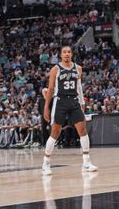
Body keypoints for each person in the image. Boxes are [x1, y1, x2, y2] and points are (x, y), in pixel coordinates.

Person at [42, 45, 97, 175]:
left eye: (69, 52)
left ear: (71, 54)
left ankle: (86, 162)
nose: (67, 54)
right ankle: (46, 163)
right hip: (60, 101)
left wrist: (82, 102)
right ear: (60, 55)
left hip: (74, 100)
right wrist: (46, 107)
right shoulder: (55, 69)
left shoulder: (78, 68)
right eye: (64, 52)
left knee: (83, 130)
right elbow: (50, 89)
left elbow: (79, 87)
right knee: (55, 132)